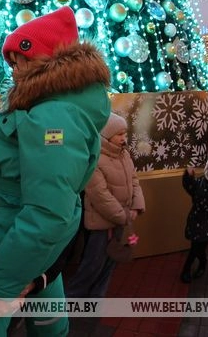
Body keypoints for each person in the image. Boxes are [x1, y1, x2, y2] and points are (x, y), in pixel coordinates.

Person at [0, 7, 111, 337]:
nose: (14, 69)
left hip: (4, 252)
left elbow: (49, 211)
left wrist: (0, 284)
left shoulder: (51, 116)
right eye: (11, 61)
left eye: (19, 59)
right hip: (24, 249)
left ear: (43, 59)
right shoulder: (52, 107)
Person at [65, 112, 145, 298]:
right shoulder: (95, 159)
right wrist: (123, 215)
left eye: (125, 134)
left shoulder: (123, 155)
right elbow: (100, 195)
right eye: (120, 134)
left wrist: (136, 205)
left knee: (111, 261)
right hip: (102, 224)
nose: (124, 138)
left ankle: (96, 298)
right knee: (92, 265)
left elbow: (134, 180)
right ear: (107, 135)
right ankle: (73, 299)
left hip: (119, 220)